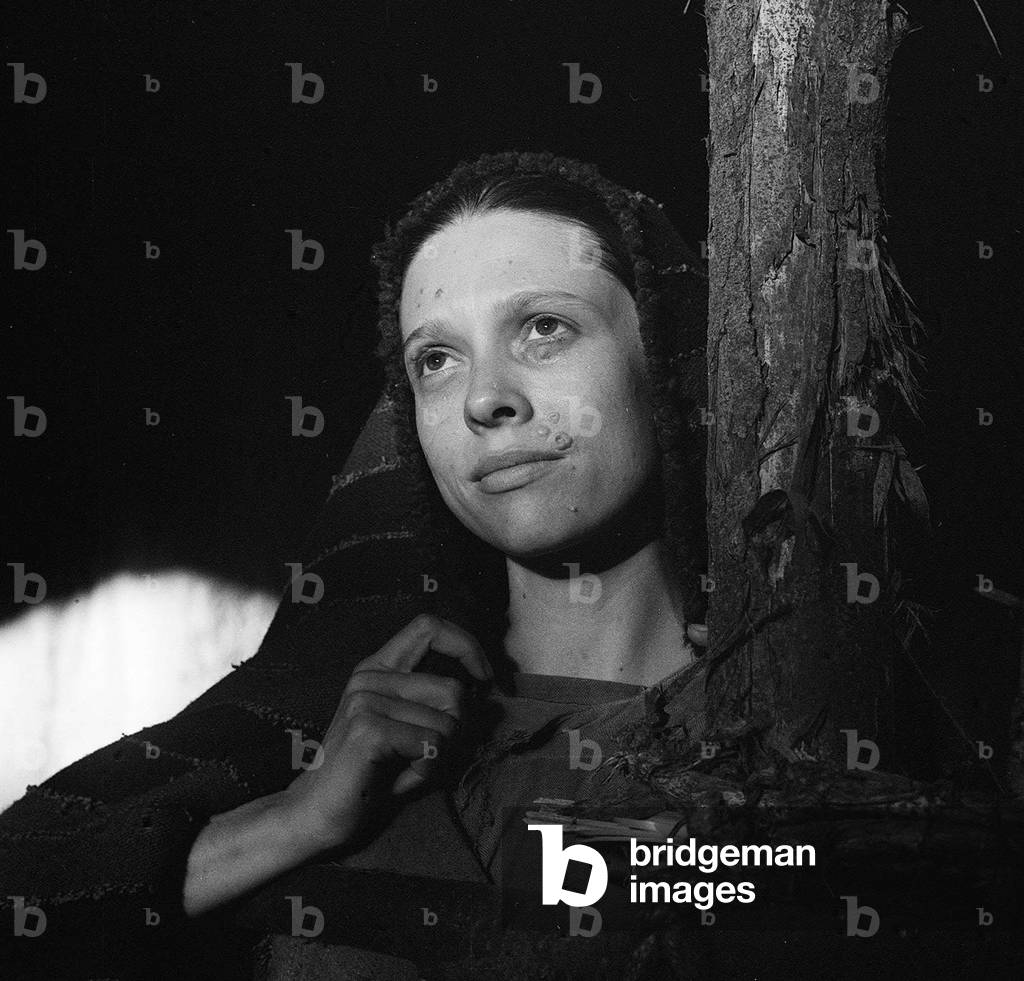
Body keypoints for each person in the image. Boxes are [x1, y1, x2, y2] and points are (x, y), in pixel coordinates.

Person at [0, 150, 711, 980]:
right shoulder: (342, 728)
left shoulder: (790, 721)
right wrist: (296, 818)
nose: (485, 398)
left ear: (667, 355)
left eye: (545, 328)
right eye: (435, 360)